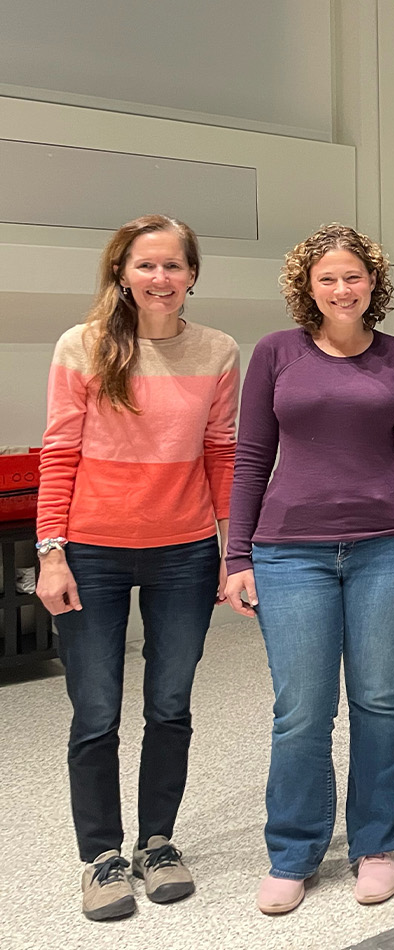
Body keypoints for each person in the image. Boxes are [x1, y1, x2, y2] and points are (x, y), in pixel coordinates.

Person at [224, 224, 394, 915]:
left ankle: (376, 845)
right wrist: (237, 555)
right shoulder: (274, 353)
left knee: (381, 698)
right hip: (289, 550)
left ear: (373, 284)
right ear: (308, 287)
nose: (342, 288)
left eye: (353, 276)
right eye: (327, 278)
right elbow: (250, 459)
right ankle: (293, 852)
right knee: (301, 710)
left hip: (391, 545)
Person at [36, 214, 239, 921]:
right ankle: (100, 857)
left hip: (183, 551)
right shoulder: (83, 346)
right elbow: (58, 453)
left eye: (174, 266)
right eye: (146, 266)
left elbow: (221, 452)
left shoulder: (216, 350)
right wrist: (50, 552)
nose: (161, 279)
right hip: (90, 550)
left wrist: (228, 548)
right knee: (95, 712)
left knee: (170, 705)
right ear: (122, 272)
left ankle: (157, 843)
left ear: (192, 275)